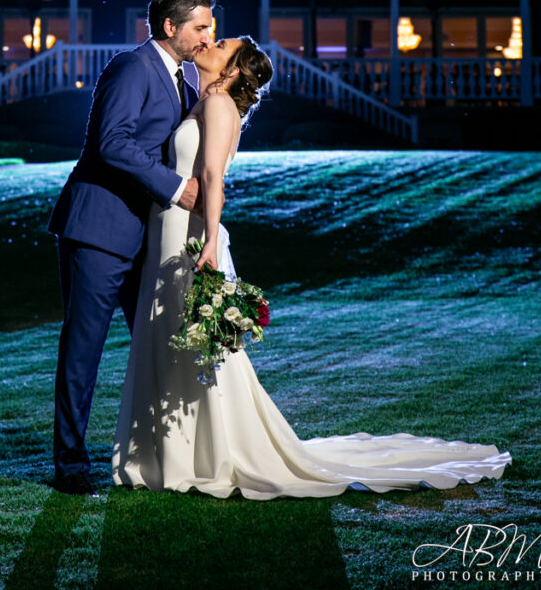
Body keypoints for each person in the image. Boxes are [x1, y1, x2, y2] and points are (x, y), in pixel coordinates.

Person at [112, 35, 512, 499]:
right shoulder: (200, 99)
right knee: (170, 341)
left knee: (199, 351)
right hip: (167, 230)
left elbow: (214, 181)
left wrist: (209, 247)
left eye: (221, 43)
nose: (208, 42)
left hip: (190, 234)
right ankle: (163, 452)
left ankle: (205, 454)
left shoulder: (219, 104)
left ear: (234, 70)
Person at [48, 0, 215, 495]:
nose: (209, 35)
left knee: (159, 344)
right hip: (99, 230)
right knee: (84, 350)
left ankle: (160, 452)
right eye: (201, 27)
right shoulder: (130, 66)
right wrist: (175, 187)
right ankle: (71, 465)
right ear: (171, 27)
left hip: (147, 239)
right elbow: (111, 143)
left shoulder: (183, 82)